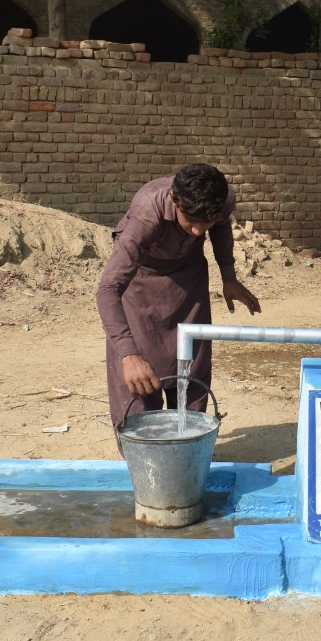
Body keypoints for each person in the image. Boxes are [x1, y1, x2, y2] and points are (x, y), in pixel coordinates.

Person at [95, 163, 261, 440]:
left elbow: (220, 228)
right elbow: (108, 288)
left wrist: (228, 277)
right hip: (141, 283)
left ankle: (188, 443)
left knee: (191, 366)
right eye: (191, 222)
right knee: (141, 376)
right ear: (174, 199)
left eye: (204, 223)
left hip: (189, 278)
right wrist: (128, 354)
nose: (198, 232)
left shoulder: (221, 198)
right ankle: (144, 449)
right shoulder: (148, 213)